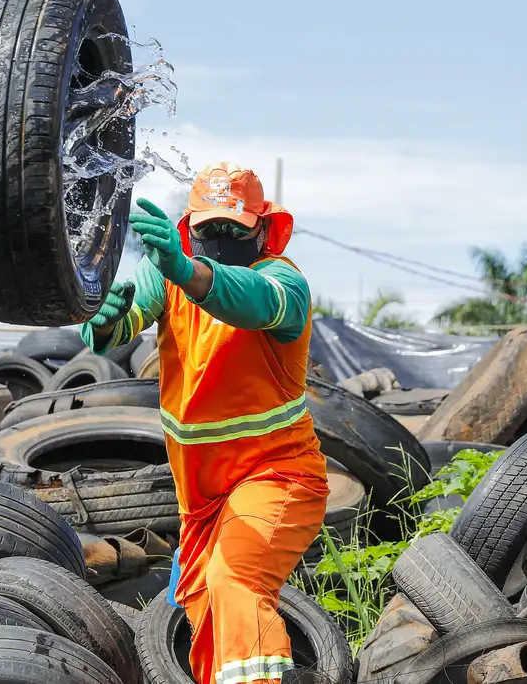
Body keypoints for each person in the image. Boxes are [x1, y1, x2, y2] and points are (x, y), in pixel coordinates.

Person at [81, 162, 331, 684]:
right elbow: (128, 318)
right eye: (207, 228)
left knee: (235, 579)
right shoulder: (167, 277)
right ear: (189, 227)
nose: (219, 237)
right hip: (200, 499)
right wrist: (104, 325)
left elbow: (250, 301)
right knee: (200, 613)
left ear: (263, 228)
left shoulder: (283, 282)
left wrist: (187, 271)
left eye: (233, 228)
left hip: (276, 477)